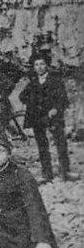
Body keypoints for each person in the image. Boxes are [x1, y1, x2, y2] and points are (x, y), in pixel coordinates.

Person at [19, 53, 77, 183]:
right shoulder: (33, 83)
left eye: (42, 64)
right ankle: (47, 174)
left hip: (53, 117)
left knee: (60, 142)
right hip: (37, 118)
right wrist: (32, 105)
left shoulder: (55, 81)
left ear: (47, 65)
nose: (39, 67)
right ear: (34, 67)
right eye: (36, 65)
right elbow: (22, 96)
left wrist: (55, 108)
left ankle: (65, 172)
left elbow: (63, 99)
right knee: (42, 145)